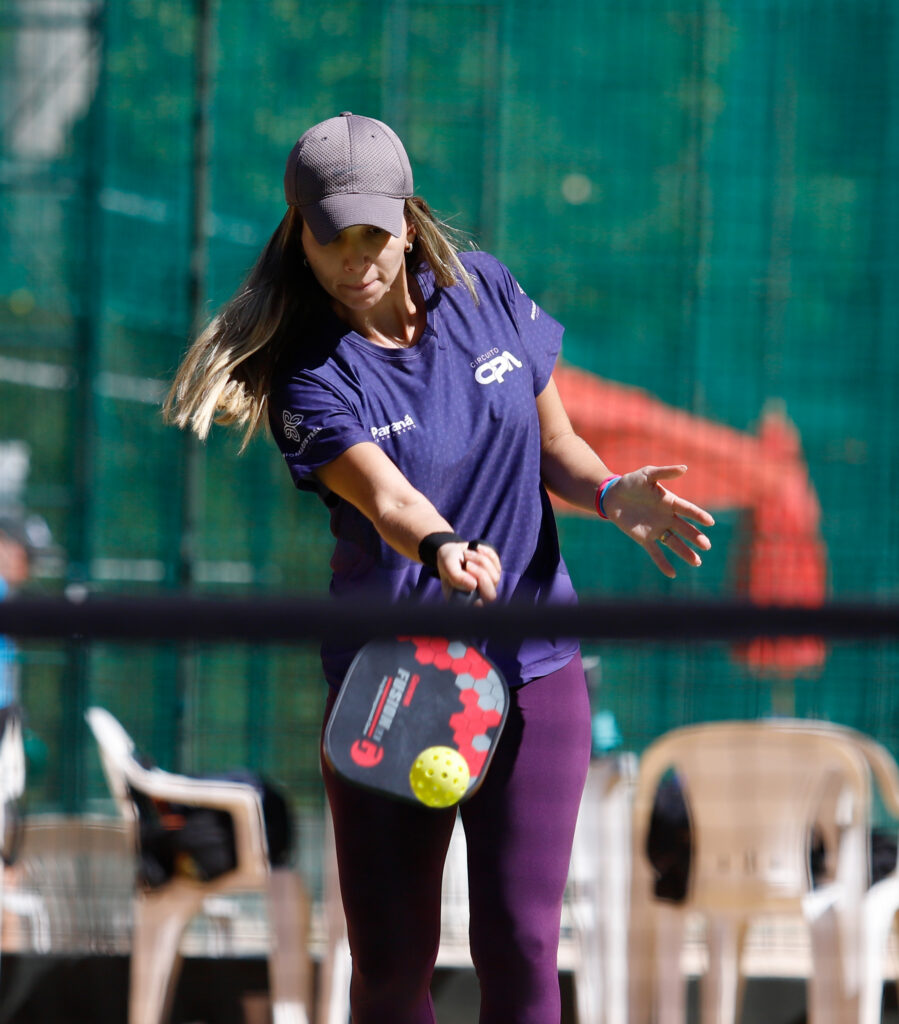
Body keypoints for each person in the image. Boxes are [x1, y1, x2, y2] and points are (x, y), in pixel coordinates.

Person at [165, 111, 714, 1024]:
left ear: (408, 220)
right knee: (389, 972)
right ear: (299, 234)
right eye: (330, 234)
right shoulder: (308, 369)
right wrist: (441, 547)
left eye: (373, 232)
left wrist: (614, 493)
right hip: (394, 687)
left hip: (533, 665)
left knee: (525, 945)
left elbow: (559, 445)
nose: (355, 256)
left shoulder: (484, 290)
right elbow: (386, 500)